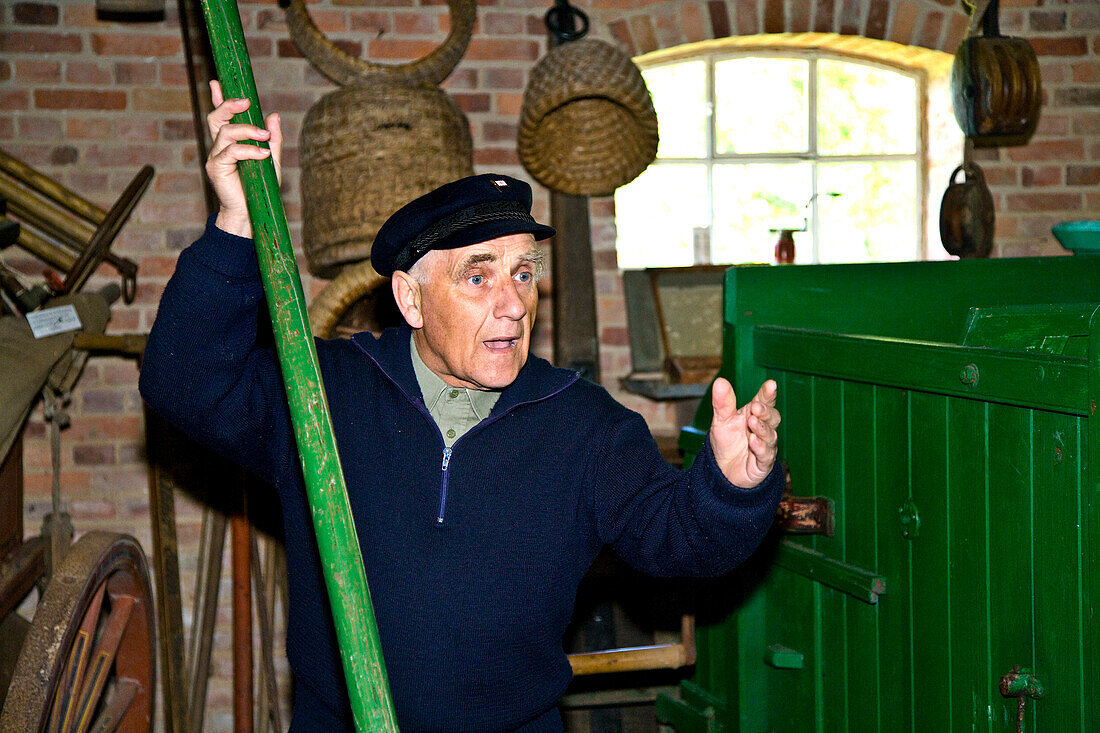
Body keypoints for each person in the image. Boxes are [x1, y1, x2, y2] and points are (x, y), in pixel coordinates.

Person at [139, 82, 784, 733]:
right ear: (411, 299)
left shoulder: (583, 423)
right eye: (479, 277)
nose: (512, 303)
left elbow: (680, 537)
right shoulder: (325, 394)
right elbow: (183, 382)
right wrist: (234, 231)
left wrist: (732, 486)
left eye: (524, 273)